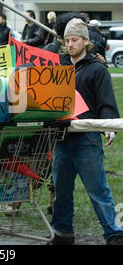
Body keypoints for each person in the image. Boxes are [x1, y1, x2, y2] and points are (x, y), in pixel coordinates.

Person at [50, 18, 123, 245]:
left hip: (87, 138)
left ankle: (113, 233)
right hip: (61, 137)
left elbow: (106, 102)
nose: (70, 44)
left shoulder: (96, 69)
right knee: (61, 189)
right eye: (67, 40)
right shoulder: (59, 67)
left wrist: (109, 128)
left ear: (85, 41)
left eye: (75, 40)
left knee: (97, 189)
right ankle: (62, 232)